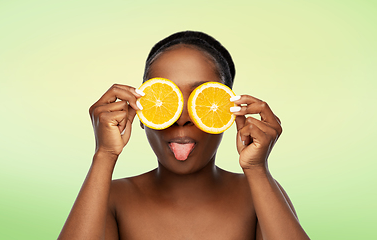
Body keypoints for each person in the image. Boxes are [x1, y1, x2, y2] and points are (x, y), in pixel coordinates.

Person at [58, 31, 310, 240]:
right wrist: (104, 155)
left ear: (226, 114)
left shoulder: (259, 193)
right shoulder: (112, 197)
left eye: (201, 100)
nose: (182, 118)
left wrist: (257, 168)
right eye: (165, 100)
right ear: (141, 111)